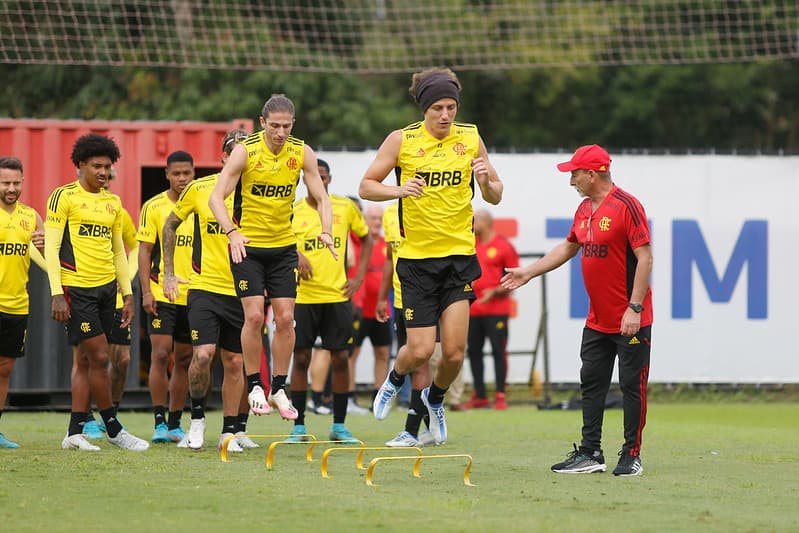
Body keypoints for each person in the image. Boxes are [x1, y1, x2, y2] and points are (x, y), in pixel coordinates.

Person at [359, 67, 503, 445]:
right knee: (421, 350)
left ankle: (434, 399)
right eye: (438, 107)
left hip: (458, 258)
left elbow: (495, 195)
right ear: (424, 109)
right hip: (417, 261)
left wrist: (487, 179)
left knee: (454, 354)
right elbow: (366, 186)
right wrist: (399, 191)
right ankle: (393, 380)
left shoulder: (470, 138)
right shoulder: (402, 140)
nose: (445, 115)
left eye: (451, 107)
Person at [501, 144, 652, 476]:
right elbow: (569, 247)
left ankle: (631, 453)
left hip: (630, 319)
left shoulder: (628, 206)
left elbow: (645, 258)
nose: (571, 180)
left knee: (631, 385)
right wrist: (528, 272)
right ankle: (590, 453)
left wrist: (634, 308)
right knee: (591, 383)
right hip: (597, 319)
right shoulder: (584, 209)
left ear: (593, 174)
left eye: (575, 173)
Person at [209, 94, 336, 421]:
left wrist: (326, 230)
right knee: (253, 318)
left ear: (293, 125)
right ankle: (255, 385)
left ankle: (278, 387)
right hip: (248, 246)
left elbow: (321, 197)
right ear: (263, 123)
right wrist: (231, 232)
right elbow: (216, 198)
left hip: (282, 249)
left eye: (286, 126)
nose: (280, 132)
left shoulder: (301, 152)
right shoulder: (245, 151)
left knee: (283, 319)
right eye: (275, 126)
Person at [45, 133, 148, 451]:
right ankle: (114, 427)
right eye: (97, 166)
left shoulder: (113, 203)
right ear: (80, 165)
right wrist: (57, 292)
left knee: (85, 361)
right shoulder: (63, 197)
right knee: (101, 357)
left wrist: (128, 294)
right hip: (78, 289)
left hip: (108, 291)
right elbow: (50, 247)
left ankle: (74, 432)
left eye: (107, 167)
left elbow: (119, 250)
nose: (103, 172)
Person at [163, 128, 258, 452]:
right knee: (203, 355)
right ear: (223, 157)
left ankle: (229, 432)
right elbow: (170, 225)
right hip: (204, 287)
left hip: (242, 290)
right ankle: (197, 420)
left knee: (235, 363)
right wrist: (170, 275)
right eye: (236, 153)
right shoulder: (200, 188)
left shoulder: (258, 193)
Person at [286, 158, 372, 442]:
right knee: (300, 359)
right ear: (303, 180)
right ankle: (298, 426)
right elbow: (277, 242)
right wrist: (296, 256)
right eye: (311, 177)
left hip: (337, 296)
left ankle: (339, 425)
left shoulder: (345, 207)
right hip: (303, 297)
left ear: (329, 180)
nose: (317, 181)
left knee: (340, 358)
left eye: (321, 177)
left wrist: (358, 277)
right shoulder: (291, 212)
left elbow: (367, 239)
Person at [137, 150, 195, 444]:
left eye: (187, 173)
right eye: (177, 173)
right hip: (162, 292)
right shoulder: (154, 206)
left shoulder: (202, 203)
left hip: (194, 294)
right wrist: (146, 291)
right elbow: (145, 250)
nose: (182, 178)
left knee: (184, 359)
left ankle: (175, 423)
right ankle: (159, 421)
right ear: (167, 174)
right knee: (160, 355)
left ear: (194, 173)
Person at [81, 168, 139, 439]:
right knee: (87, 357)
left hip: (115, 298)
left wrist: (126, 275)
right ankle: (86, 417)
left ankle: (110, 413)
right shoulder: (74, 204)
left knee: (122, 360)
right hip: (86, 293)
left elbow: (134, 246)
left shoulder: (118, 211)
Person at [376, 201, 434, 448]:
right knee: (416, 363)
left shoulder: (433, 209)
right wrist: (382, 297)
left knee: (421, 362)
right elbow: (391, 258)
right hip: (400, 299)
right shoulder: (390, 213)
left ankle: (411, 432)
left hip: (426, 298)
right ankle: (430, 428)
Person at [0, 157, 45, 449]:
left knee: (4, 369)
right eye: (5, 183)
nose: (11, 188)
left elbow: (45, 254)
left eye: (16, 182)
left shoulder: (31, 216)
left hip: (17, 305)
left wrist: (44, 244)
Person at [463, 208, 519, 410]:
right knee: (474, 351)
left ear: (485, 222)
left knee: (498, 351)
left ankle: (500, 394)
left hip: (496, 310)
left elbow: (515, 277)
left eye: (474, 220)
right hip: (472, 310)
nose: (471, 224)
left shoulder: (503, 246)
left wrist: (494, 292)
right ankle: (480, 394)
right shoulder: (470, 244)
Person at [348, 204, 391, 413]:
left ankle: (378, 398)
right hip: (358, 308)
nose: (376, 222)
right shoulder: (357, 244)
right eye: (373, 217)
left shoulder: (386, 245)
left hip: (381, 309)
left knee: (383, 353)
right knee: (352, 353)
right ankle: (349, 398)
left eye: (379, 218)